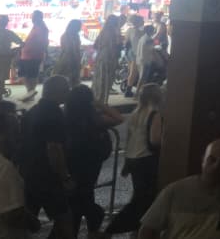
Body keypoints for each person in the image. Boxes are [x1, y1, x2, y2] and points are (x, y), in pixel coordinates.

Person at [138, 139, 220, 239]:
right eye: (211, 160)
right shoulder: (176, 190)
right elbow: (148, 229)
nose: (216, 166)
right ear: (203, 161)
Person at [103, 82, 165, 235]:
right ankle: (114, 229)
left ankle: (136, 229)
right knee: (142, 200)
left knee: (139, 196)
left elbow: (130, 139)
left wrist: (126, 162)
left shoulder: (135, 113)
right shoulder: (155, 114)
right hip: (147, 160)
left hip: (133, 159)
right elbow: (155, 140)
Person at [20, 75, 74, 237]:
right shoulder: (54, 113)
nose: (68, 93)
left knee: (27, 220)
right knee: (65, 220)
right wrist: (65, 177)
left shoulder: (32, 111)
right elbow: (54, 149)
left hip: (28, 174)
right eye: (66, 90)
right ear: (58, 92)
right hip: (47, 177)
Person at [63, 84, 120, 234]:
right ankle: (94, 218)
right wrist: (99, 103)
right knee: (86, 193)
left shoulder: (65, 117)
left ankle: (83, 225)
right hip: (91, 163)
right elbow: (118, 118)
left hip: (72, 163)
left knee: (78, 197)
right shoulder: (94, 119)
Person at [0, 109, 32, 239]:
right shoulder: (3, 168)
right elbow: (11, 215)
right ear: (2, 135)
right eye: (15, 133)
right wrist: (33, 223)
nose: (19, 139)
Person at [16, 10, 49, 102]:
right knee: (26, 75)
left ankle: (30, 93)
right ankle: (30, 93)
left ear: (39, 17)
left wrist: (33, 49)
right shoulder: (36, 27)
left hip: (33, 56)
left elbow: (43, 43)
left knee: (29, 75)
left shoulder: (41, 28)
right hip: (27, 55)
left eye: (34, 17)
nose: (32, 18)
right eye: (32, 16)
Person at [92, 15, 123, 103]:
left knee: (99, 78)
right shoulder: (114, 32)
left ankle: (96, 99)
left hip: (101, 56)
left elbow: (95, 45)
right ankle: (103, 101)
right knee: (106, 80)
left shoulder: (103, 31)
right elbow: (115, 47)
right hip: (109, 57)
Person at [0, 15, 21, 97]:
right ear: (6, 23)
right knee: (1, 79)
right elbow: (21, 43)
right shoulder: (9, 33)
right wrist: (14, 51)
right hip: (5, 59)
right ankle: (0, 96)